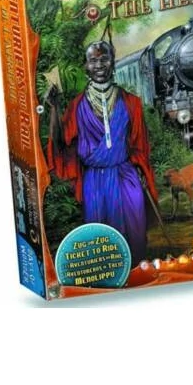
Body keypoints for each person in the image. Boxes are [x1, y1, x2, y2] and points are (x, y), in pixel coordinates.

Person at [47, 40, 158, 263]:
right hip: (94, 181)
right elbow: (60, 144)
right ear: (86, 66)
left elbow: (140, 144)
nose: (99, 65)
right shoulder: (77, 106)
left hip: (126, 177)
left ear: (113, 62)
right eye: (93, 60)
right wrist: (54, 108)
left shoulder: (131, 102)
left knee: (135, 229)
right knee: (101, 234)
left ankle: (137, 272)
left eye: (104, 59)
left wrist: (141, 170)